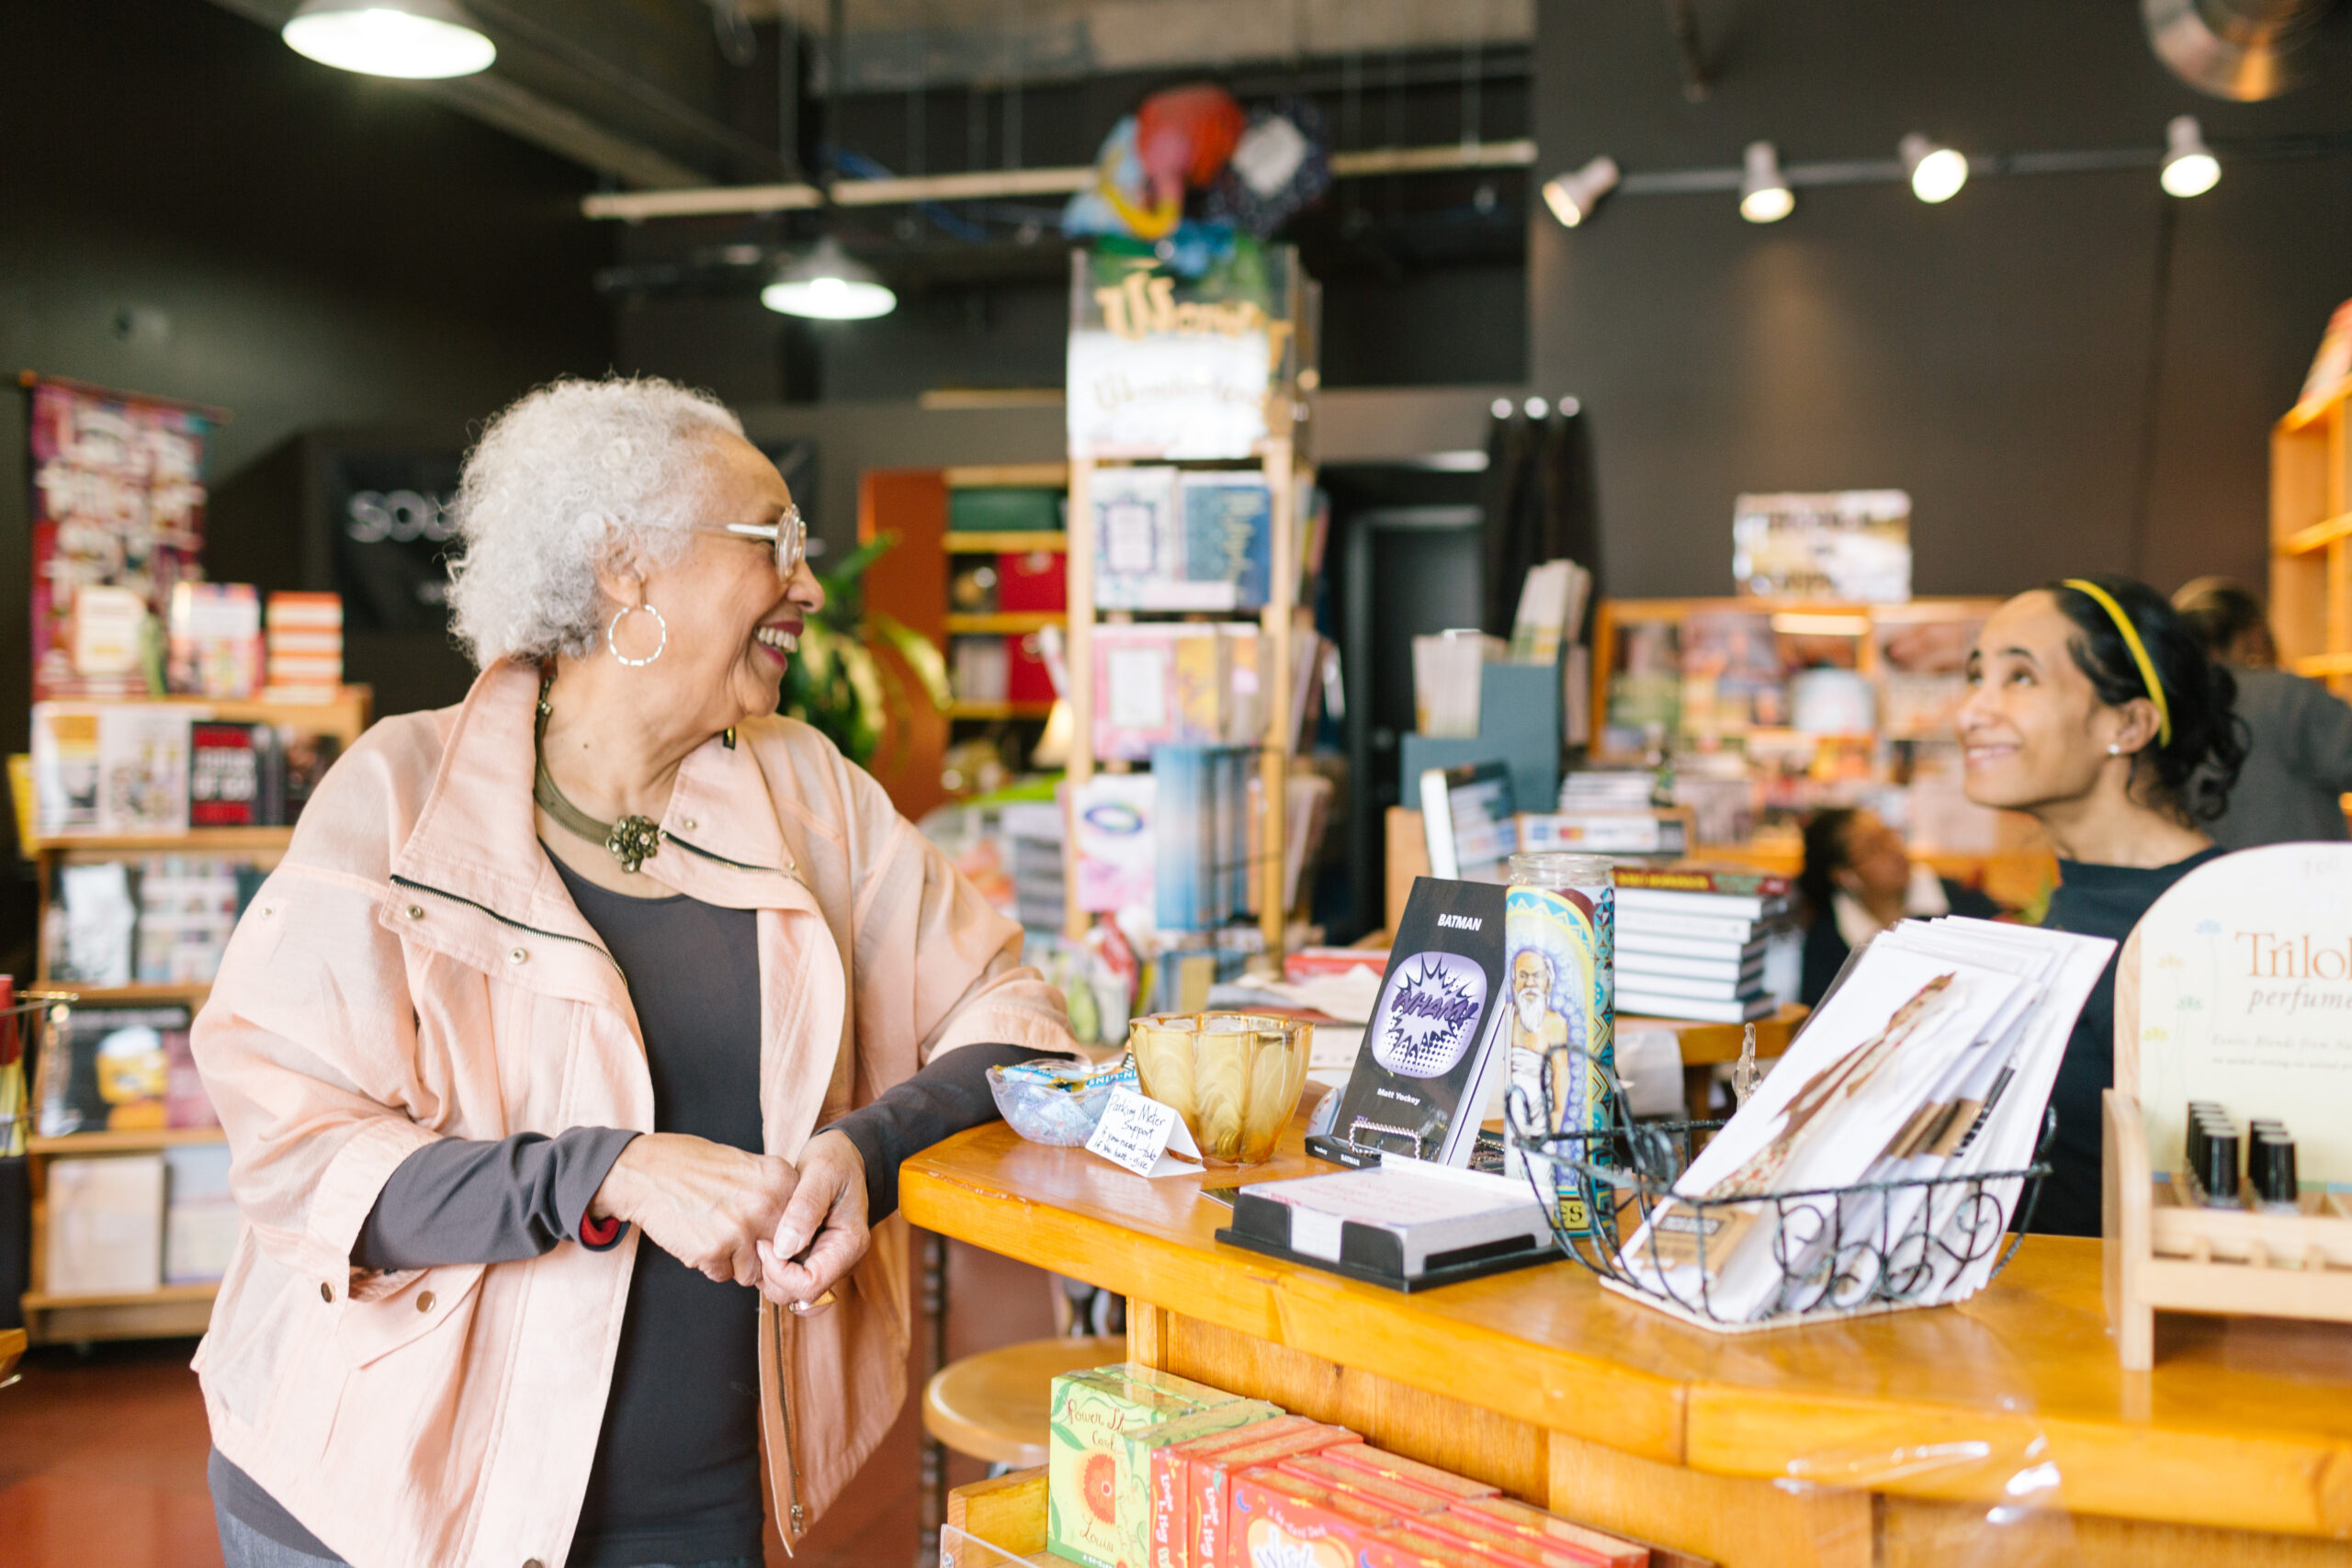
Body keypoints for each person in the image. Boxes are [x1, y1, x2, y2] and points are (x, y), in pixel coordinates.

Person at [191, 377, 1078, 1568]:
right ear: (624, 566)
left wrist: (860, 1156)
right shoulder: (396, 795)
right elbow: (299, 1160)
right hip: (384, 1506)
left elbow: (1023, 1026)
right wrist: (609, 1169)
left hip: (700, 1506)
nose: (809, 585)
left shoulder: (813, 797)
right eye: (777, 541)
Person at [1956, 574, 2245, 1238]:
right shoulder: (2078, 897)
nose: (1971, 710)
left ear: (2129, 722)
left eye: (2020, 677)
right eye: (1976, 675)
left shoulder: (2209, 928)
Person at [2170, 576, 2352, 849]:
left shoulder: (2165, 704)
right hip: (2296, 878)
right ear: (2255, 634)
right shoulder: (2288, 695)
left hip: (2196, 881)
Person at [1794, 807, 1997, 1006]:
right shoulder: (1827, 938)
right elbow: (1819, 1012)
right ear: (1846, 876)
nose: (1893, 850)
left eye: (1890, 836)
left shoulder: (1965, 902)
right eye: (1873, 848)